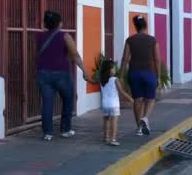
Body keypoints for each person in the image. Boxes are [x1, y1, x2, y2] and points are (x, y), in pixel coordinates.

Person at [36, 10, 90, 141]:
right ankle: (65, 129)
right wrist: (84, 70)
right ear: (59, 23)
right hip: (61, 74)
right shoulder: (65, 36)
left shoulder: (39, 36)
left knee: (47, 103)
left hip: (43, 74)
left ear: (46, 23)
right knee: (69, 99)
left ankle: (47, 133)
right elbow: (75, 55)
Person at [119, 15, 161, 136]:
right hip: (149, 73)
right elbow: (157, 59)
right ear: (145, 26)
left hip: (134, 73)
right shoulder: (153, 40)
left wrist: (121, 76)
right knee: (151, 99)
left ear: (135, 26)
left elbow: (125, 59)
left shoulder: (130, 40)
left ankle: (139, 128)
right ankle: (146, 118)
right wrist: (158, 76)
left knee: (137, 100)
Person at [85, 59, 133, 146]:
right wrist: (130, 98)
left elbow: (92, 82)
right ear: (109, 70)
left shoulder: (102, 80)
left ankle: (105, 137)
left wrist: (87, 78)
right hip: (114, 104)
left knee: (106, 120)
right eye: (113, 68)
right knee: (114, 122)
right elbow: (121, 91)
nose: (115, 70)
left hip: (105, 104)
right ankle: (113, 139)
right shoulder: (115, 79)